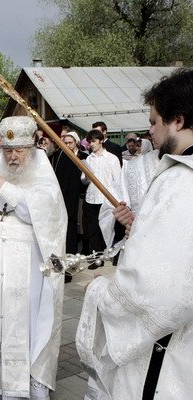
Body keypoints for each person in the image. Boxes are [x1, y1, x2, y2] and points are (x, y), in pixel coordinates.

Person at [77, 68, 193, 399]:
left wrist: (101, 292)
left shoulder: (180, 181)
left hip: (170, 351)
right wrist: (140, 226)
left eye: (155, 121)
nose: (150, 130)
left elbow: (159, 291)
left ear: (179, 121)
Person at [0, 116, 67, 399]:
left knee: (21, 321)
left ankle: (24, 386)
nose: (13, 157)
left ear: (33, 149)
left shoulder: (43, 177)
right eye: (7, 151)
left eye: (19, 150)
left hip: (26, 265)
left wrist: (3, 186)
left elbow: (41, 212)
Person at [80, 129, 121, 268]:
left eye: (94, 141)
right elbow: (83, 181)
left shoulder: (112, 158)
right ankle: (97, 258)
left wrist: (116, 198)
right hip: (91, 198)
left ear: (101, 141)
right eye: (89, 141)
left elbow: (118, 179)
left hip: (106, 200)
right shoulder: (89, 159)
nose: (91, 144)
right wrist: (86, 176)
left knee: (108, 228)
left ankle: (111, 254)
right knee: (93, 230)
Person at [50, 131, 88, 255]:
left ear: (76, 142)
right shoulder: (60, 155)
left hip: (79, 195)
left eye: (70, 143)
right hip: (65, 195)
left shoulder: (83, 156)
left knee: (78, 225)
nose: (67, 145)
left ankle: (77, 250)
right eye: (65, 143)